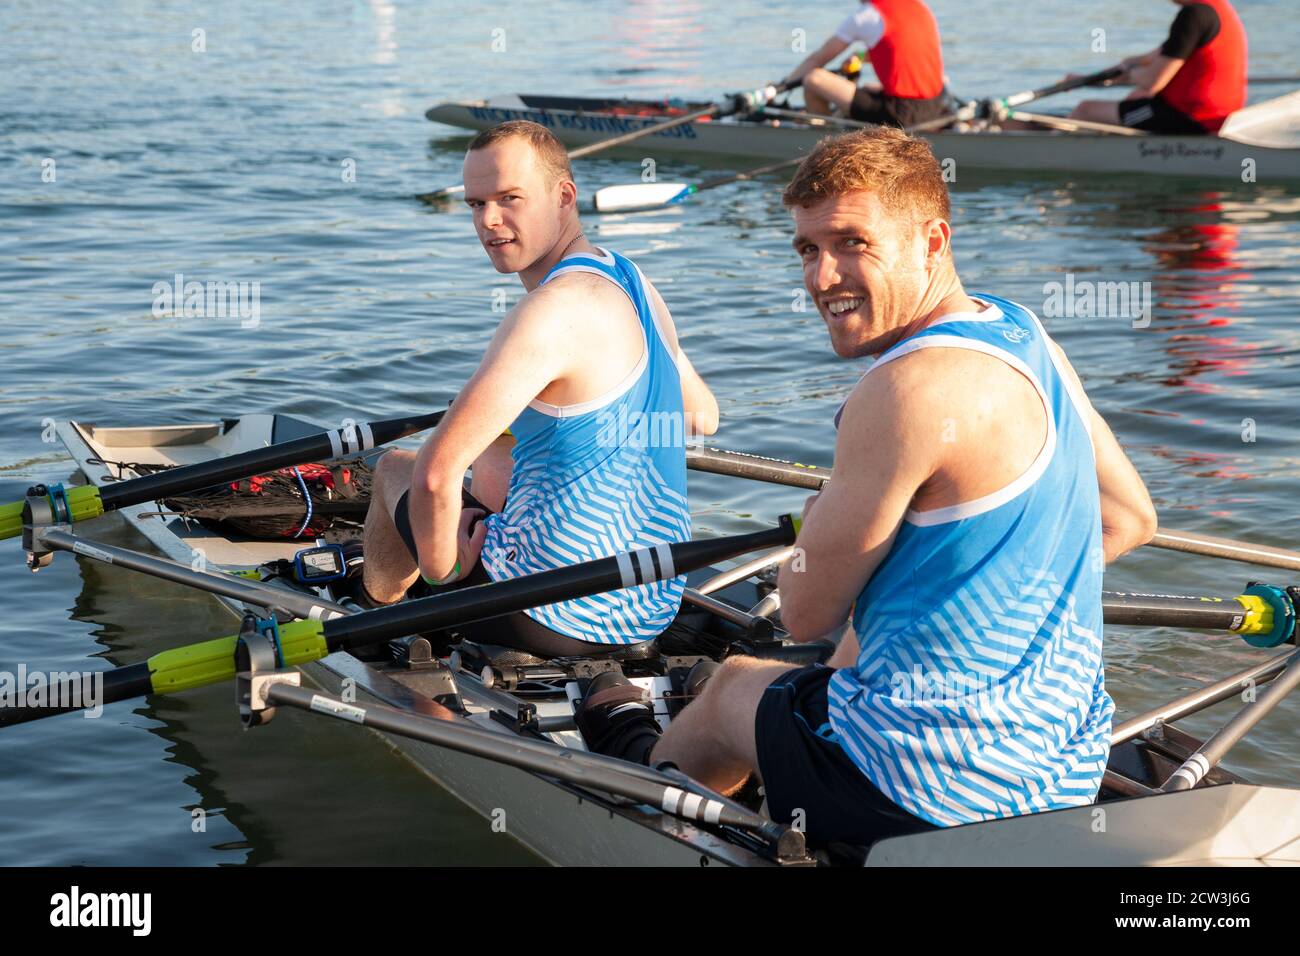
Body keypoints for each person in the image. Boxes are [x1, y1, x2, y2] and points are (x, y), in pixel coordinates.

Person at [579, 126, 1158, 849]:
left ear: (932, 240)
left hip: (913, 799)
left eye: (852, 243)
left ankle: (637, 769)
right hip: (1063, 775)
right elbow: (1130, 517)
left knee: (734, 688)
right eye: (807, 249)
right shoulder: (1022, 331)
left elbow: (803, 612)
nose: (822, 278)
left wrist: (821, 516)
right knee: (802, 670)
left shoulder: (904, 387)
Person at [359, 120, 719, 657]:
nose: (490, 221)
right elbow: (703, 415)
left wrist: (444, 569)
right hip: (651, 605)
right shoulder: (631, 278)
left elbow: (436, 475)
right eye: (476, 204)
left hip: (550, 612)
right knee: (502, 452)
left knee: (395, 469)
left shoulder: (549, 311)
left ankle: (375, 625)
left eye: (509, 199)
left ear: (564, 196)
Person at [1070, 0, 1247, 134]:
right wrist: (1086, 80)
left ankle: (1056, 154)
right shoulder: (1218, 9)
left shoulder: (1192, 15)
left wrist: (1132, 76)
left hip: (1192, 117)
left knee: (1085, 110)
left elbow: (1153, 81)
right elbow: (1146, 60)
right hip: (1224, 116)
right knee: (1133, 102)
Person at [783, 0, 950, 130]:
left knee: (814, 79)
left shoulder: (866, 16)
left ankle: (825, 142)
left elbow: (817, 59)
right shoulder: (919, 6)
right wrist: (860, 57)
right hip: (938, 103)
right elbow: (903, 49)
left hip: (903, 115)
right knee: (869, 87)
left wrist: (781, 86)